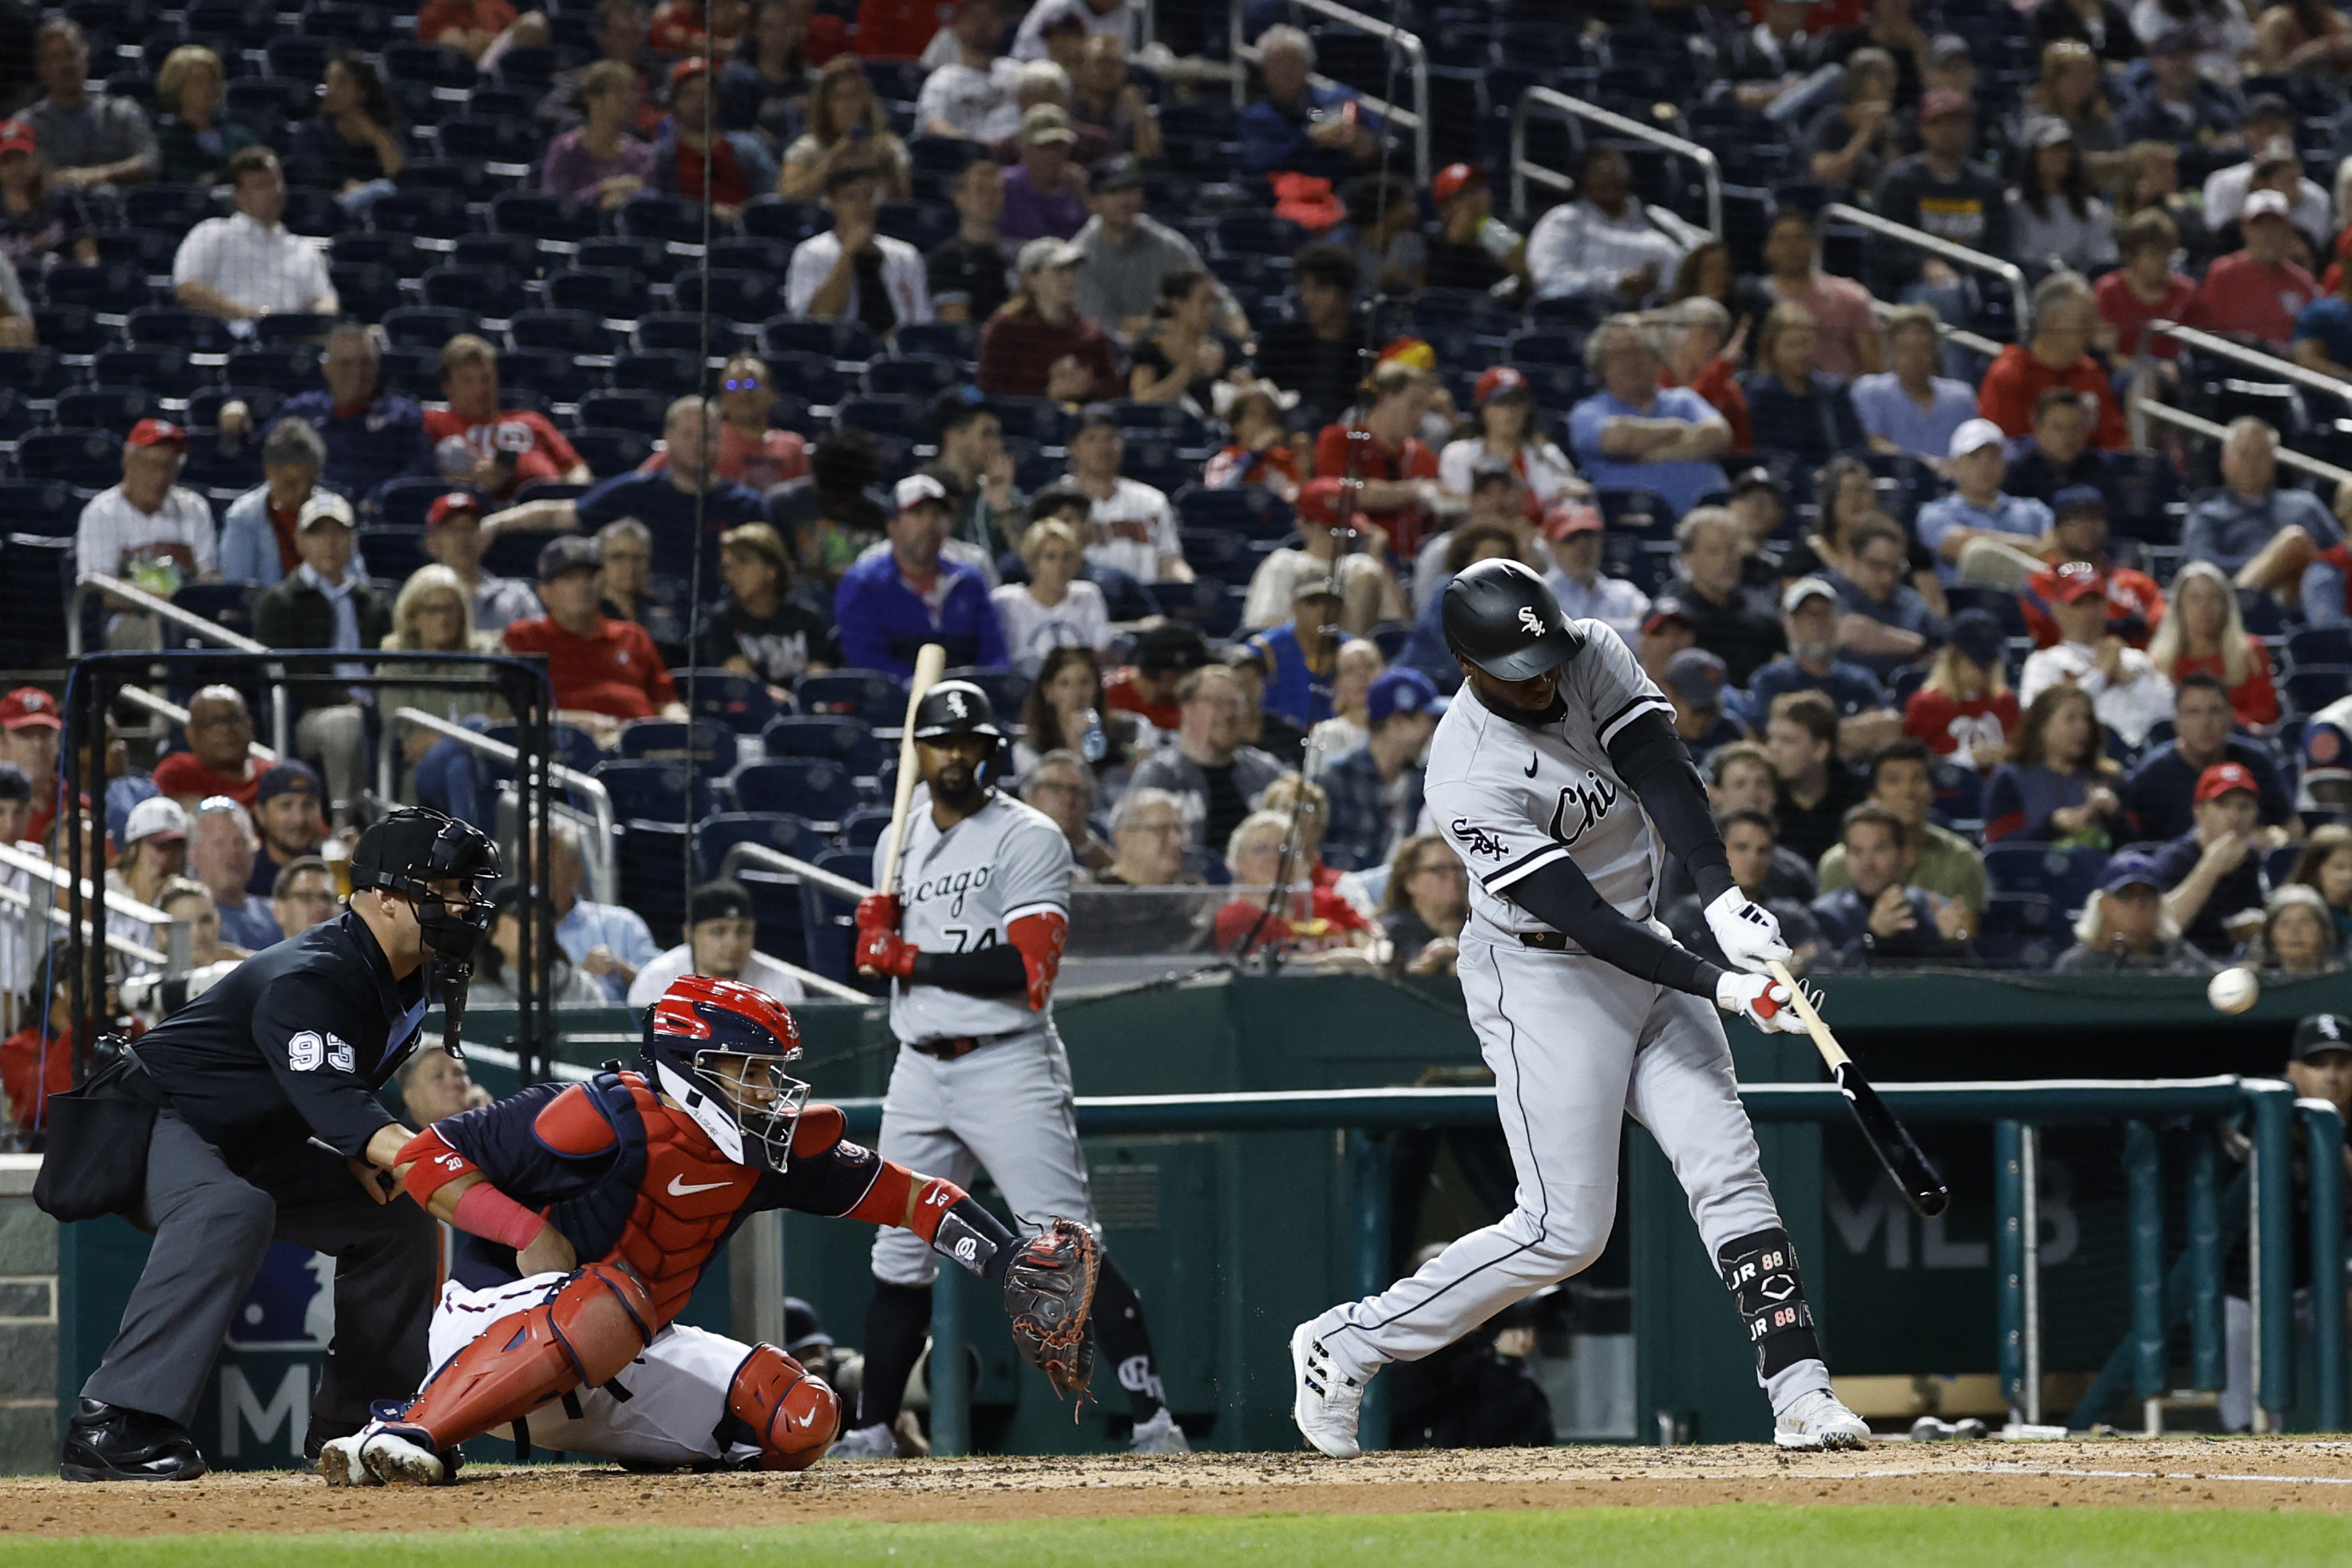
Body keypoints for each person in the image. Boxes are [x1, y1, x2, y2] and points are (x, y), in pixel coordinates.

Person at [1290, 558, 1868, 1458]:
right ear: (1467, 663)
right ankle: (1349, 1341)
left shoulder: (1591, 649)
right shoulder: (1466, 770)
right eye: (1521, 667)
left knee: (1726, 1167)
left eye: (1548, 654)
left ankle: (1801, 1392)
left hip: (1648, 942)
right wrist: (1721, 980)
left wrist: (1719, 896)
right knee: (1566, 1229)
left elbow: (1660, 768)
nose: (1547, 676)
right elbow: (1583, 919)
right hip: (1545, 978)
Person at [323, 975, 1099, 1482]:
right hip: (495, 1321)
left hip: (622, 1345)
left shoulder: (763, 1149)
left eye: (770, 1071)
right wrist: (524, 1223)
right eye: (749, 1070)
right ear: (695, 1066)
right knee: (613, 1300)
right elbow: (428, 1154)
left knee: (802, 1416)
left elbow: (915, 1198)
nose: (768, 1089)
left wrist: (1008, 1260)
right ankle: (413, 1429)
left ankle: (647, 1495)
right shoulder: (602, 1113)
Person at [57, 811, 493, 1483]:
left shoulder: (407, 970)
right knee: (231, 1208)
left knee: (393, 1216)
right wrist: (447, 1173)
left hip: (248, 1134)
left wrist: (357, 1149)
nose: (463, 903)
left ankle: (362, 1425)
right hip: (155, 1117)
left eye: (466, 888)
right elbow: (335, 1097)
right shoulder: (316, 972)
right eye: (446, 887)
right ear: (382, 897)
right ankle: (115, 1421)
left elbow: (329, 1081)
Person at [840, 680, 1185, 1457]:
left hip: (1006, 1059)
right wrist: (873, 945)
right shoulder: (896, 840)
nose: (955, 755)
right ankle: (871, 1432)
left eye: (969, 741)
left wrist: (905, 954)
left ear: (991, 749)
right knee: (898, 1248)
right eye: (940, 741)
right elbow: (889, 964)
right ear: (919, 751)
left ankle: (1153, 1420)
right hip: (919, 1064)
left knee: (1064, 1243)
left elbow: (1030, 968)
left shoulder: (1028, 835)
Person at [489, 397, 767, 584]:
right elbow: (557, 515)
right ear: (667, 438)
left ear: (720, 441)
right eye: (687, 434)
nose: (697, 444)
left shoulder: (746, 506)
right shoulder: (636, 491)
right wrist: (493, 524)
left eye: (706, 437)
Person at [252, 493, 391, 815]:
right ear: (300, 542)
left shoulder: (373, 603)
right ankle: (347, 826)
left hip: (375, 707)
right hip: (310, 715)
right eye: (318, 533)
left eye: (338, 533)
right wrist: (346, 699)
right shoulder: (280, 602)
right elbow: (293, 673)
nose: (330, 543)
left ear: (351, 540)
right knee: (345, 724)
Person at [503, 537, 687, 738]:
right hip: (569, 747)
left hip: (643, 743)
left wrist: (680, 723)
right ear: (544, 592)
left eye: (590, 577)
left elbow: (666, 701)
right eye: (569, 578)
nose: (582, 585)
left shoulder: (633, 635)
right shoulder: (525, 638)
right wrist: (581, 723)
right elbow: (513, 713)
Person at [833, 473, 1008, 678]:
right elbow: (864, 659)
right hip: (890, 703)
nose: (929, 523)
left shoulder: (968, 581)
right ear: (893, 525)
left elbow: (994, 653)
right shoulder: (864, 584)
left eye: (937, 514)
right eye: (917, 513)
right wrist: (922, 689)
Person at [1567, 318, 1732, 521]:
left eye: (1639, 353)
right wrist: (1676, 429)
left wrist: (1652, 455)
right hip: (1633, 524)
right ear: (1601, 367)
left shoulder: (1683, 400)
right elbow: (1619, 439)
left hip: (1707, 523)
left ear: (1655, 359)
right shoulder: (1589, 411)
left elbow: (1718, 434)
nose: (1632, 362)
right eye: (1620, 356)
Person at [254, 323, 432, 502]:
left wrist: (380, 497)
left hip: (376, 519)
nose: (357, 373)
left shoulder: (403, 416)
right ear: (326, 368)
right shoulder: (301, 412)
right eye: (345, 364)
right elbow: (265, 457)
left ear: (377, 367)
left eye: (366, 363)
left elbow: (420, 472)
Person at [1815, 739, 1986, 924]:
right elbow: (1831, 932)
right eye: (1894, 781)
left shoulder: (1962, 859)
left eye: (1918, 779)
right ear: (1873, 796)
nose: (1908, 790)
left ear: (1932, 791)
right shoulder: (1838, 864)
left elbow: (1966, 934)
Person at [2121, 672, 2295, 844]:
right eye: (2193, 712)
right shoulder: (2152, 773)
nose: (2205, 723)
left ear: (2231, 717)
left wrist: (2277, 838)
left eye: (2215, 711)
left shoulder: (2257, 761)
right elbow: (2134, 844)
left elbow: (2291, 826)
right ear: (2176, 722)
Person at [1126, 665, 1285, 851]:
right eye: (1217, 703)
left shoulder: (1266, 773)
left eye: (1235, 704)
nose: (1228, 714)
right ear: (1187, 709)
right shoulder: (1159, 775)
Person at [171, 148, 337, 323]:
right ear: (239, 196)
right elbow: (187, 289)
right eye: (261, 186)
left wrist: (313, 320)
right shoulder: (211, 233)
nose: (274, 192)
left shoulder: (304, 250)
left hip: (290, 341)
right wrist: (248, 316)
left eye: (276, 182)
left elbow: (324, 300)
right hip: (229, 336)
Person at [2018, 560, 2173, 746]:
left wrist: (2132, 680)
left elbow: (2173, 712)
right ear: (2057, 610)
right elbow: (2038, 721)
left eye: (2096, 602)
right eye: (2079, 603)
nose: (2089, 612)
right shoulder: (2045, 663)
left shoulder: (2134, 659)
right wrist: (2099, 675)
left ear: (2107, 607)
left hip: (2142, 755)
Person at [2182, 418, 2341, 600]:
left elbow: (2343, 555)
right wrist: (2277, 561)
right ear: (2224, 461)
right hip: (2233, 606)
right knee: (2294, 541)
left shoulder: (2306, 505)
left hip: (2305, 600)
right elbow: (2202, 570)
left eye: (2261, 454)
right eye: (2244, 453)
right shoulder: (2206, 513)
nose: (2252, 463)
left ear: (2274, 461)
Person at [1872, 90, 2009, 297]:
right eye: (1937, 124)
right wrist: (1924, 265)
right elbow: (1888, 246)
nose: (1946, 131)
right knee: (1943, 295)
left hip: (1976, 283)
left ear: (1969, 129)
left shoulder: (1987, 185)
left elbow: (1999, 244)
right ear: (1922, 129)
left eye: (1955, 123)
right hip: (1913, 286)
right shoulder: (1900, 182)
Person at [422, 336, 591, 504]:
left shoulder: (532, 420)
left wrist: (574, 494)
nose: (480, 388)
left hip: (550, 511)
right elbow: (430, 475)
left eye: (486, 378)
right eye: (468, 381)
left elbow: (575, 467)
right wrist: (472, 482)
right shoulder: (435, 421)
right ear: (447, 387)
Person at [1808, 803, 1971, 968]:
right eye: (1857, 852)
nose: (1867, 863)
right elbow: (1827, 983)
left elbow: (1979, 984)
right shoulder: (1824, 915)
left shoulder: (1935, 914)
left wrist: (1955, 946)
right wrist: (1872, 938)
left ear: (1906, 855)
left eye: (1880, 850)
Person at [1975, 275, 2128, 449]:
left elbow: (2114, 441)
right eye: (2085, 321)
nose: (2093, 331)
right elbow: (2002, 444)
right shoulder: (2010, 372)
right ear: (2052, 323)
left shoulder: (2091, 373)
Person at [1524, 144, 1688, 306]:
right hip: (1585, 319)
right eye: (1600, 172)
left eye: (1616, 170)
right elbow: (1548, 280)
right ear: (1583, 177)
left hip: (1668, 314)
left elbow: (1696, 259)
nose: (1609, 178)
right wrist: (1616, 283)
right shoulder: (1564, 220)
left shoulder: (1661, 219)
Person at [1241, 476, 1404, 638]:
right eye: (1330, 529)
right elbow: (1262, 630)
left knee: (1366, 572)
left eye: (1345, 528)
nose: (1340, 537)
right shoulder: (1285, 563)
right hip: (1295, 654)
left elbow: (1397, 630)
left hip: (1350, 655)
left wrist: (1378, 557)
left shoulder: (1362, 566)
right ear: (1302, 524)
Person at [1664, 809, 1823, 972]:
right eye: (1742, 848)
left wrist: (1802, 961)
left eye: (1763, 851)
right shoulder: (1689, 917)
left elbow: (1821, 955)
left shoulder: (1790, 918)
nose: (1753, 859)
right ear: (1719, 851)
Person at [1317, 669, 1443, 874]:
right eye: (1427, 720)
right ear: (1395, 722)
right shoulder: (1334, 782)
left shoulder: (1424, 783)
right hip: (1347, 894)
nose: (1432, 730)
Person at [1313, 360, 1444, 556]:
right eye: (1414, 404)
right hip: (1350, 557)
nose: (1420, 415)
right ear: (1385, 397)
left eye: (1425, 407)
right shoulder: (1340, 440)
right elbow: (1347, 494)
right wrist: (1417, 491)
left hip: (1411, 563)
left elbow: (1441, 501)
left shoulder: (1421, 454)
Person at [785, 156, 931, 331]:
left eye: (868, 196)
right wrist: (848, 254)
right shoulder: (812, 253)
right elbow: (815, 320)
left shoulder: (906, 255)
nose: (861, 206)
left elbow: (922, 325)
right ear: (832, 203)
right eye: (850, 198)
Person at [975, 236, 1123, 403]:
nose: (1070, 279)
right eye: (1059, 271)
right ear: (1032, 278)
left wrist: (1087, 387)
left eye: (1072, 270)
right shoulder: (1007, 330)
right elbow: (990, 391)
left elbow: (1114, 393)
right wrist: (1048, 394)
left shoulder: (1091, 332)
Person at [2151, 761, 2273, 957]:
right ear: (2199, 812)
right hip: (2181, 967)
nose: (2234, 816)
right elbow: (2162, 928)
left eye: (2244, 807)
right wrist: (2210, 868)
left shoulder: (2254, 860)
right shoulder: (2175, 859)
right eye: (2222, 805)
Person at [694, 521, 830, 697]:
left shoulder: (806, 619)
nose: (732, 573)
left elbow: (819, 677)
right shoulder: (722, 622)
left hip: (805, 715)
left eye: (743, 563)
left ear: (772, 570)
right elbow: (744, 683)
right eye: (728, 567)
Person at [625, 881, 806, 1008]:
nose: (732, 943)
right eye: (718, 932)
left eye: (742, 931)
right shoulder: (657, 979)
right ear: (689, 934)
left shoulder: (780, 981)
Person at [1237, 24, 1380, 184]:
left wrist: (1362, 140)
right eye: (1277, 62)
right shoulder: (1256, 117)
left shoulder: (1335, 99)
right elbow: (1261, 162)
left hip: (1341, 188)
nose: (1286, 70)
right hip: (1283, 198)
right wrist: (1310, 139)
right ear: (1264, 70)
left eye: (1294, 61)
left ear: (1309, 65)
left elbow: (1370, 130)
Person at [22, 18, 156, 191]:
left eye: (70, 54)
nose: (65, 66)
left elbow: (150, 160)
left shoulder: (122, 113)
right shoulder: (27, 125)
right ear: (41, 68)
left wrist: (97, 175)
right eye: (54, 58)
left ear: (86, 57)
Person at [2143, 562, 2279, 729]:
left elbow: (2264, 715)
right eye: (2195, 598)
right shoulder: (2160, 662)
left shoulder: (2251, 652)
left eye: (2214, 597)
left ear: (2226, 605)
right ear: (2179, 607)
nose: (2205, 607)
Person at [1749, 578, 1899, 729]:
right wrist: (1857, 727)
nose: (1817, 623)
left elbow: (1888, 725)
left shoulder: (1860, 681)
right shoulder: (1771, 680)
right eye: (1808, 615)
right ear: (1788, 623)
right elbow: (1770, 734)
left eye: (1824, 613)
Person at [1984, 683, 2123, 845]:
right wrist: (2052, 827)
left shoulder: (2108, 777)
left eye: (2087, 719)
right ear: (2042, 727)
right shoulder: (2010, 778)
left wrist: (2115, 816)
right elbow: (2000, 847)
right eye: (2071, 718)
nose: (2083, 727)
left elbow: (2136, 846)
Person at [1062, 408, 1186, 584]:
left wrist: (1189, 588)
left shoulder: (1151, 501)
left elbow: (1169, 560)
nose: (1104, 447)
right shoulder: (1055, 502)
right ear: (1072, 449)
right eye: (1091, 439)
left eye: (1110, 438)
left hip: (1142, 604)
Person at [1757, 207, 1881, 380]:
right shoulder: (1755, 298)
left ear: (1814, 243)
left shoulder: (1850, 296)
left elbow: (1875, 367)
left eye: (1800, 237)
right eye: (1782, 239)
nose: (1792, 247)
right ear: (1767, 249)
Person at [2192, 189, 2318, 352]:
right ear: (2245, 229)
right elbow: (2207, 330)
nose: (2267, 233)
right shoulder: (2223, 274)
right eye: (2259, 225)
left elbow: (2309, 342)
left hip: (2284, 371)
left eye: (2275, 225)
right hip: (2230, 365)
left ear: (2289, 230)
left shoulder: (2302, 282)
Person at [1439, 366, 1580, 510]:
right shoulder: (1458, 455)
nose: (1510, 412)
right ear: (1482, 410)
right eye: (1501, 403)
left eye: (1516, 403)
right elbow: (1455, 508)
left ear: (1527, 409)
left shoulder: (1548, 455)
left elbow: (1571, 507)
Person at [1852, 303, 1979, 461]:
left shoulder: (1961, 397)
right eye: (1906, 348)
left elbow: (1974, 451)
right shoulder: (1869, 390)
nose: (1915, 357)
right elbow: (1875, 444)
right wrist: (1926, 465)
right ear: (1891, 352)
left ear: (1936, 352)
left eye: (1924, 348)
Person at [2054, 849, 2217, 972]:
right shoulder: (2077, 966)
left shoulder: (2176, 955)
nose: (2138, 903)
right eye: (2125, 894)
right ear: (2102, 904)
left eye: (2148, 893)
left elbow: (2214, 980)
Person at [779, 53, 911, 200]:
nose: (847, 105)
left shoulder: (889, 147)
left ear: (865, 101)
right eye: (838, 97)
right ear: (825, 105)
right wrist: (830, 164)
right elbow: (788, 196)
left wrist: (887, 166)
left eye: (853, 96)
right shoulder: (807, 149)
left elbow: (903, 200)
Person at [1255, 245, 1364, 419]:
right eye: (1304, 288)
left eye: (1320, 289)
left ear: (1345, 293)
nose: (1308, 298)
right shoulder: (1280, 342)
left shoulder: (1368, 345)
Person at [288, 53, 407, 211]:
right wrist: (346, 185)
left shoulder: (388, 132)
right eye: (327, 81)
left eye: (341, 82)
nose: (330, 90)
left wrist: (377, 136)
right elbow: (316, 178)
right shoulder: (310, 133)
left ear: (362, 92)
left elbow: (400, 178)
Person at [220, 421, 331, 590]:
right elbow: (237, 588)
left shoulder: (334, 512)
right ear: (270, 473)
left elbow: (355, 583)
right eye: (291, 483)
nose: (302, 492)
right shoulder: (244, 517)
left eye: (311, 482)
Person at [1903, 608, 2019, 770]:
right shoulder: (1926, 705)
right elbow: (1914, 767)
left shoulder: (2006, 702)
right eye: (1979, 662)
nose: (1987, 669)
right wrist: (1966, 759)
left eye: (1992, 660)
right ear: (1954, 658)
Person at [1765, 690, 1871, 866]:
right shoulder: (1766, 794)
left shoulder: (1858, 795)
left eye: (1787, 741)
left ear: (1820, 749)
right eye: (1771, 738)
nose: (1773, 748)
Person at [992, 517, 1108, 675]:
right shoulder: (1006, 601)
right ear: (1032, 563)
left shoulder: (1088, 595)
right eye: (1051, 557)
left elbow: (1100, 653)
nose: (1060, 566)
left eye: (1067, 557)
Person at [417, 492, 542, 636]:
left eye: (469, 529)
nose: (462, 538)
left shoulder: (516, 597)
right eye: (452, 530)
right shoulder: (419, 598)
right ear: (432, 542)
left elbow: (539, 644)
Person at [539, 59, 653, 210]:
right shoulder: (566, 148)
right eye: (619, 91)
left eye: (632, 92)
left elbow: (650, 203)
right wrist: (602, 189)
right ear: (591, 97)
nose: (629, 99)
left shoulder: (641, 155)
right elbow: (553, 203)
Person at [2098, 209, 2198, 363]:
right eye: (2153, 254)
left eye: (2166, 253)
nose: (2162, 261)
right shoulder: (2109, 290)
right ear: (2131, 255)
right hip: (2124, 375)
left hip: (2174, 375)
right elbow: (2106, 350)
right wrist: (2145, 370)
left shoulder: (2184, 291)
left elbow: (2195, 345)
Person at [153, 45, 258, 188]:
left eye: (213, 80)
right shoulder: (168, 142)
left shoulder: (240, 136)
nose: (209, 88)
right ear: (176, 88)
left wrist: (217, 177)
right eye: (199, 82)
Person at [0, 115, 93, 270]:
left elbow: (88, 260)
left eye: (23, 157)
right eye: (7, 160)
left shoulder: (64, 200)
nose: (17, 167)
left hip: (63, 287)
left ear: (37, 158)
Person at [151, 687, 264, 812]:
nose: (225, 730)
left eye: (233, 720)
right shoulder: (176, 775)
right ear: (191, 733)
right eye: (213, 722)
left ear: (251, 727)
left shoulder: (270, 776)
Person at [189, 797, 279, 952]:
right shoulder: (184, 918)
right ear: (193, 854)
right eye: (219, 843)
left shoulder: (278, 916)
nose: (232, 852)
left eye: (240, 842)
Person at [246, 762, 329, 901]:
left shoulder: (334, 871)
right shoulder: (245, 875)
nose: (299, 819)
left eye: (308, 805)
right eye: (286, 806)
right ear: (260, 814)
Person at [398, 1046, 489, 1127]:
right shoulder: (395, 1143)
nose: (455, 1082)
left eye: (458, 1073)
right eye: (438, 1076)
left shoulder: (480, 1123)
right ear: (410, 1096)